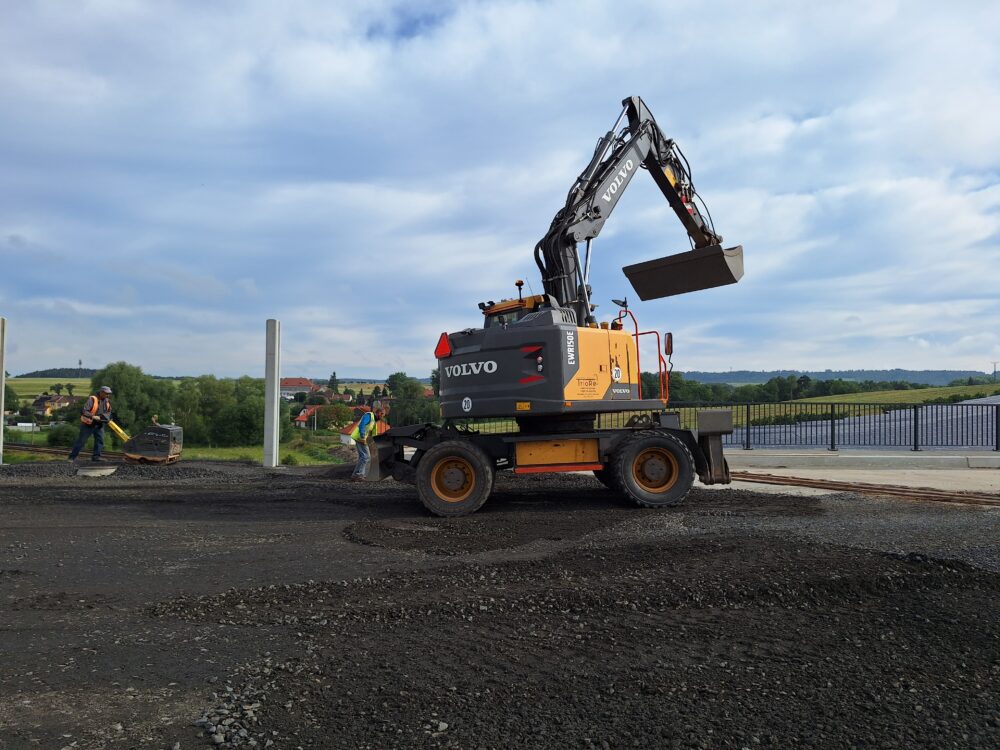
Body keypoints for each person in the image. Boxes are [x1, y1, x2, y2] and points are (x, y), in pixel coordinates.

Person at [68, 386, 113, 462]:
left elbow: (109, 412)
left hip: (99, 424)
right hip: (88, 424)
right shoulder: (92, 399)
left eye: (108, 394)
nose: (108, 395)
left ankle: (96, 457)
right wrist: (93, 416)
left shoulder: (107, 401)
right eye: (106, 393)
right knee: (81, 441)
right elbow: (84, 411)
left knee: (99, 441)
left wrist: (106, 418)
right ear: (101, 392)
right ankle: (71, 458)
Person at [350, 407, 385, 481]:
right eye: (382, 414)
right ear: (378, 412)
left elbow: (373, 433)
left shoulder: (374, 420)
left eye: (383, 415)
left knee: (362, 457)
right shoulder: (369, 416)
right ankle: (359, 474)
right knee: (366, 456)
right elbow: (362, 425)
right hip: (360, 438)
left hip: (361, 438)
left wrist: (373, 442)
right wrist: (363, 437)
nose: (382, 416)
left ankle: (356, 475)